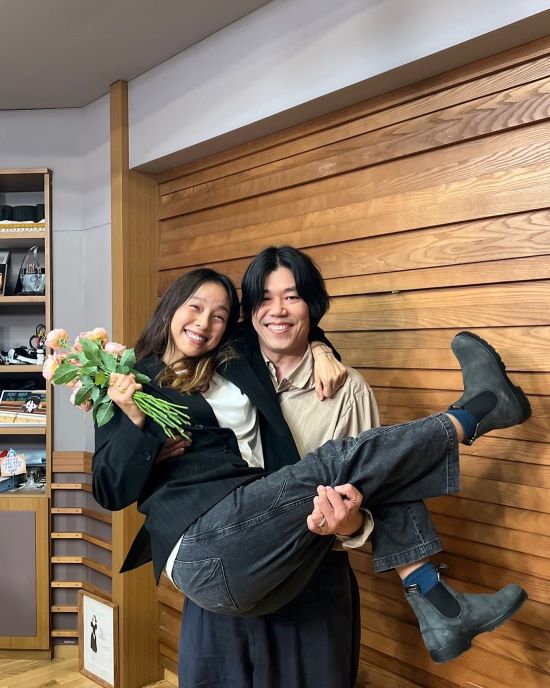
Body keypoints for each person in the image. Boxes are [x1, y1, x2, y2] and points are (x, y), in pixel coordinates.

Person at [92, 267, 530, 667]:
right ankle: (478, 411)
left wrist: (321, 349)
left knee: (375, 473)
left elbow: (286, 327)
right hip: (202, 544)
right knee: (337, 460)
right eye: (194, 307)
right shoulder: (129, 382)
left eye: (220, 315)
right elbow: (110, 490)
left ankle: (438, 605)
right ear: (171, 307)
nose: (204, 323)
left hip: (257, 542)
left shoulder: (231, 357)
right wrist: (135, 423)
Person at [178, 247, 379, 688]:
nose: (278, 311)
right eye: (265, 299)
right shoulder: (216, 372)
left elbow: (371, 507)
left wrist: (349, 524)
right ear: (249, 312)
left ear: (312, 305)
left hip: (311, 584)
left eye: (292, 297)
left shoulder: (349, 393)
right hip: (225, 573)